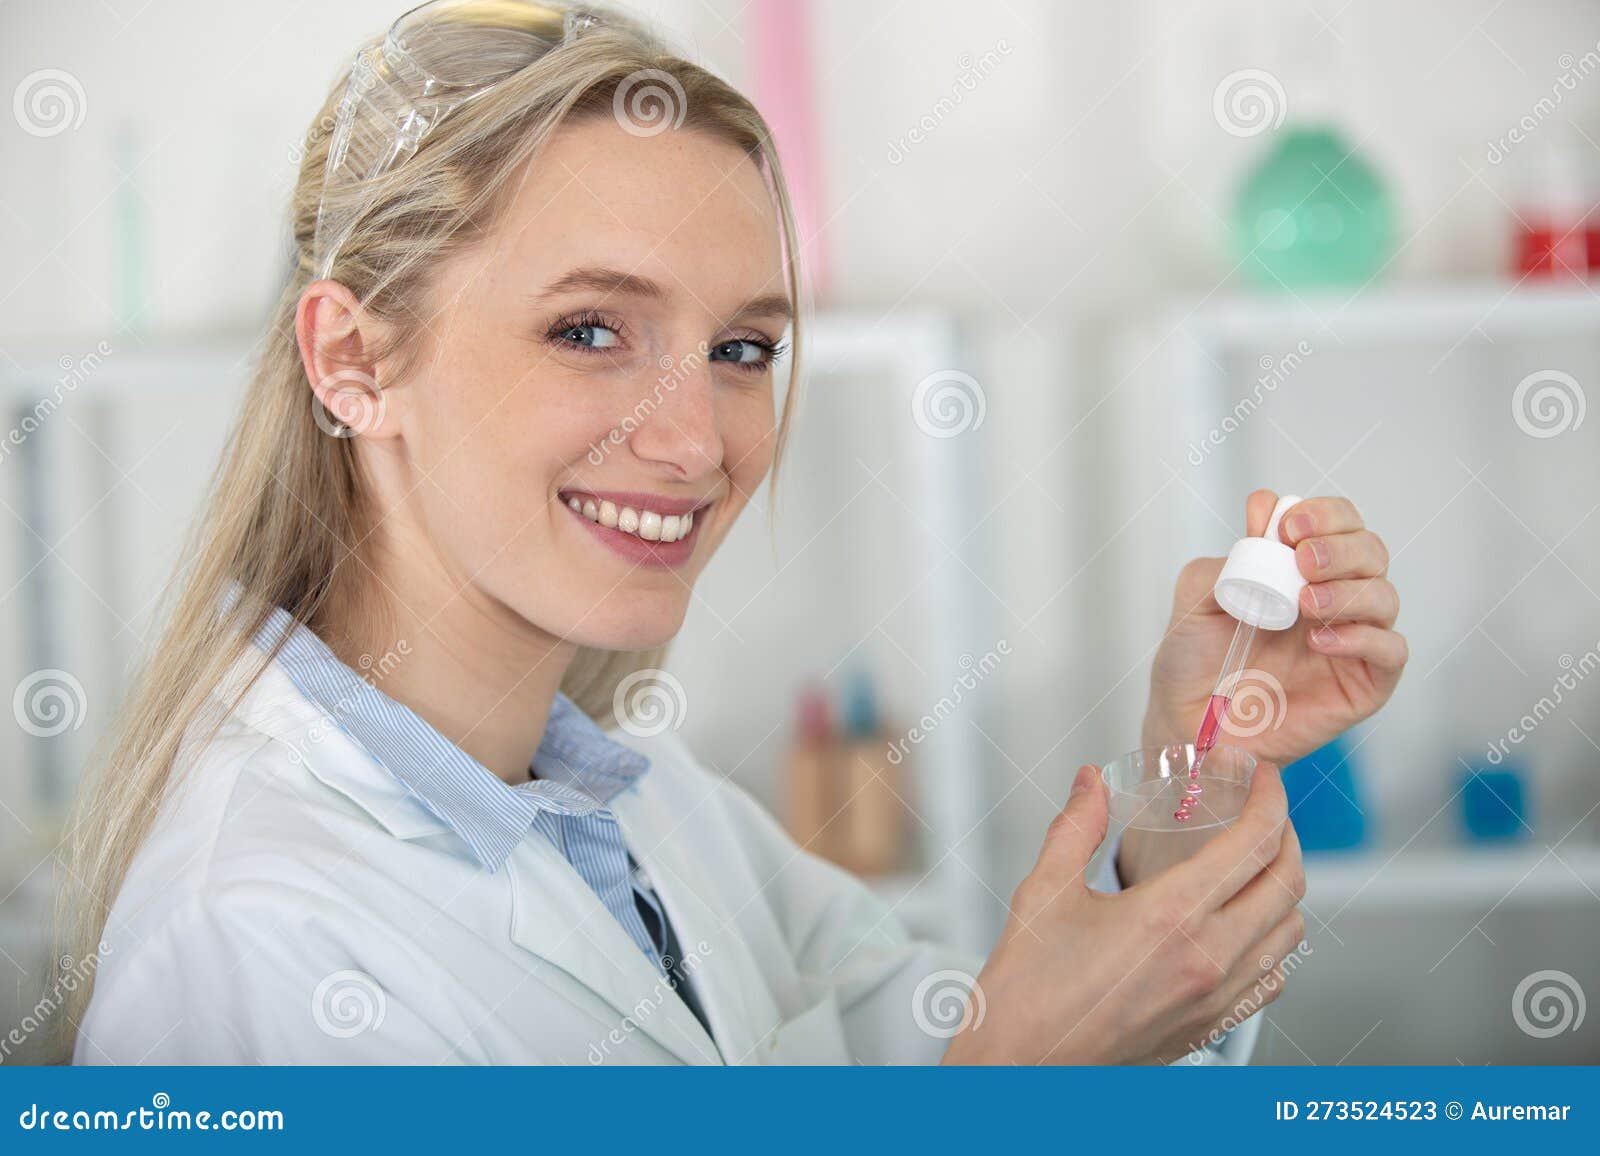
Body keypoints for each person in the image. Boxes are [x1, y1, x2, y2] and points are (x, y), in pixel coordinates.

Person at [60, 0, 1405, 1065]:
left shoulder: (658, 824)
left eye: (744, 347)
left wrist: (1199, 764)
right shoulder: (251, 947)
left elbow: (1001, 1041)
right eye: (591, 330)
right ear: (353, 358)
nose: (700, 441)